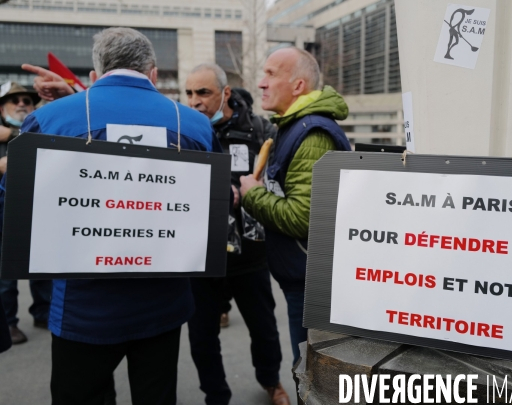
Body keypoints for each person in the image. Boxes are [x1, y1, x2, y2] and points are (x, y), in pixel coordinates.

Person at [9, 27, 216, 405]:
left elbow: (19, 206)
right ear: (153, 74)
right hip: (164, 306)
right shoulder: (197, 126)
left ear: (94, 74)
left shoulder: (49, 120)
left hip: (84, 308)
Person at [185, 63, 289, 405]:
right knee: (202, 336)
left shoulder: (258, 128)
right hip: (200, 256)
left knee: (264, 329)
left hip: (250, 252)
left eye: (203, 93)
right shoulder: (182, 130)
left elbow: (276, 178)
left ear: (225, 93)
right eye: (188, 93)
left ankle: (271, 381)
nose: (194, 101)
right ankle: (216, 395)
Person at [239, 47, 352, 364]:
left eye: (271, 74)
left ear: (299, 86)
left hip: (309, 286)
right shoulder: (291, 126)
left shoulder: (312, 134)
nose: (261, 83)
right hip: (300, 280)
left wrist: (252, 194)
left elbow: (303, 218)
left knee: (310, 375)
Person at [0, 82, 51, 344]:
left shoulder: (34, 129)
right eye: (14, 100)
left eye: (27, 101)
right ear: (1, 108)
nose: (22, 104)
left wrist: (10, 135)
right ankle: (8, 323)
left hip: (37, 210)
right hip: (4, 213)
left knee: (42, 267)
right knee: (6, 274)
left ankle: (43, 312)